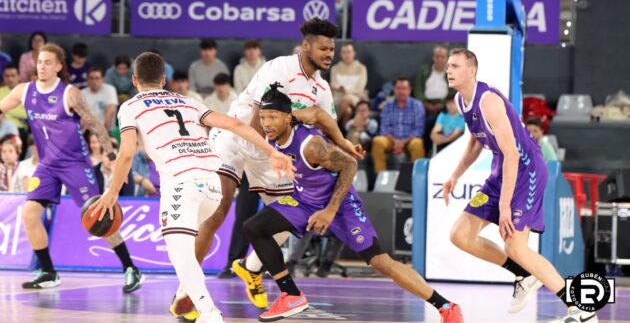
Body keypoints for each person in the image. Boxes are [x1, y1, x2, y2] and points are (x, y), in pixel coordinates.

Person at [172, 19, 364, 318]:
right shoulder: (279, 69)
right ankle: (187, 291)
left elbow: (327, 125)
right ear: (306, 46)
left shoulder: (322, 89)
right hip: (236, 137)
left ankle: (250, 268)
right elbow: (257, 120)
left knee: (294, 217)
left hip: (272, 155)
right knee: (218, 209)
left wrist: (345, 145)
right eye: (323, 48)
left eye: (332, 49)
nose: (329, 54)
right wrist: (270, 153)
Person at [90, 52, 295, 323]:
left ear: (135, 80)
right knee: (186, 250)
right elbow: (235, 124)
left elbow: (127, 152)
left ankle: (209, 313)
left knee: (180, 253)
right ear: (164, 80)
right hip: (212, 185)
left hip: (181, 183)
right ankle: (183, 295)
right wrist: (271, 151)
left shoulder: (130, 106)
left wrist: (112, 192)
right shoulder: (189, 102)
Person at [244, 83, 464, 322]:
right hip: (304, 199)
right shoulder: (275, 129)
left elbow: (350, 164)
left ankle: (446, 307)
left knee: (381, 263)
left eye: (272, 117)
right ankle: (291, 294)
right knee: (255, 227)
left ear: (287, 117)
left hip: (340, 205)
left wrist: (330, 210)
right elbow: (317, 113)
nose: (266, 123)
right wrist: (343, 140)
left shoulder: (312, 147)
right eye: (263, 117)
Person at [444, 48, 596, 323]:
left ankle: (581, 309)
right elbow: (476, 140)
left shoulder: (489, 100)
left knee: (515, 246)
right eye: (448, 66)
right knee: (460, 235)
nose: (448, 70)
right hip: (501, 171)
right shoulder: (461, 100)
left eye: (455, 66)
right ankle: (523, 275)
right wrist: (455, 175)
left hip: (527, 170)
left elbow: (513, 154)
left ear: (471, 71)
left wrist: (504, 206)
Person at [0, 43, 143, 291]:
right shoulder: (24, 90)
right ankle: (48, 272)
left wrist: (110, 154)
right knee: (30, 213)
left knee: (98, 217)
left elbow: (94, 123)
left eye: (47, 62)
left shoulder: (69, 94)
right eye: (39, 62)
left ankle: (130, 268)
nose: (42, 66)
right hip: (46, 165)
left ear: (58, 66)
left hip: (74, 164)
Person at [371, 77, 426, 173]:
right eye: (398, 88)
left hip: (409, 140)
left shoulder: (417, 105)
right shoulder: (387, 105)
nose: (401, 91)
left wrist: (403, 142)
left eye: (404, 88)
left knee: (418, 143)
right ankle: (381, 175)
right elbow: (384, 128)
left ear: (409, 90)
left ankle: (416, 177)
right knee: (378, 141)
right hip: (391, 140)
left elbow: (418, 129)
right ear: (394, 90)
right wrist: (395, 142)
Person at [82, 66, 119, 131]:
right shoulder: (82, 93)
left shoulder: (110, 89)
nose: (94, 81)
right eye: (91, 78)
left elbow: (110, 111)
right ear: (87, 80)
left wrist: (104, 132)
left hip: (107, 130)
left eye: (97, 78)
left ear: (102, 79)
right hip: (89, 131)